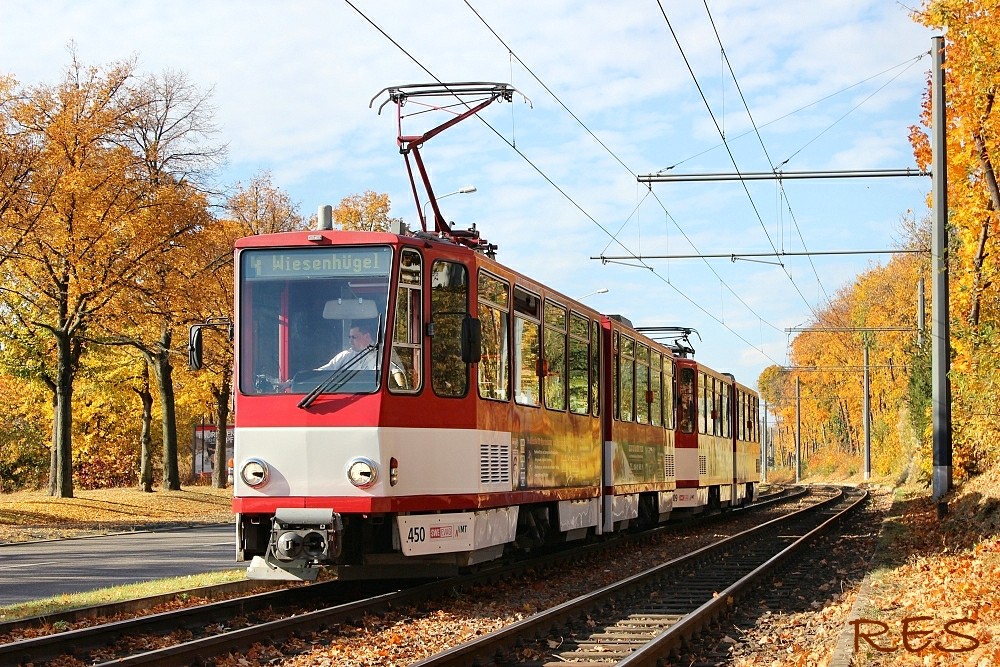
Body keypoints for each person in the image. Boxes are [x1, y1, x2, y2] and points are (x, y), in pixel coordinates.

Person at [317, 322, 408, 388]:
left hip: (375, 395)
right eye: (349, 337)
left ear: (367, 336)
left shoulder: (384, 353)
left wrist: (401, 388)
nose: (350, 341)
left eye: (354, 337)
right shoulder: (344, 356)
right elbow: (323, 371)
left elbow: (397, 372)